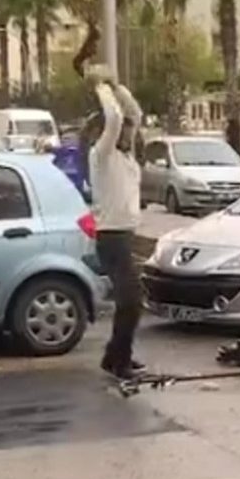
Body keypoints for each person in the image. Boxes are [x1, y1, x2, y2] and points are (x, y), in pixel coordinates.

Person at [85, 64, 146, 379]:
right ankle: (118, 361)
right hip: (111, 238)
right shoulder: (101, 156)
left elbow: (134, 114)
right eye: (124, 131)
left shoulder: (125, 157)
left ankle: (115, 357)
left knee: (130, 303)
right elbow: (116, 117)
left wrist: (118, 85)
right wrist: (101, 86)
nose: (129, 131)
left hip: (124, 236)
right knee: (131, 302)